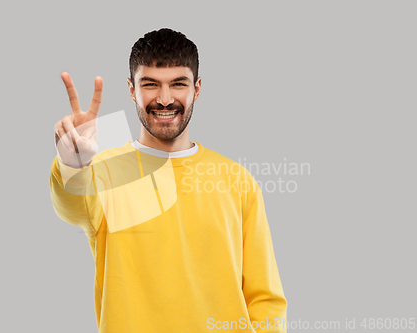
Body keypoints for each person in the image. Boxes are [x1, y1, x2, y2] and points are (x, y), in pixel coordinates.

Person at [49, 28, 287, 333]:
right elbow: (71, 206)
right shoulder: (106, 172)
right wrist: (73, 163)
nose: (164, 99)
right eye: (150, 84)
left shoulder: (236, 179)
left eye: (178, 84)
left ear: (197, 88)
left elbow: (264, 297)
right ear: (132, 90)